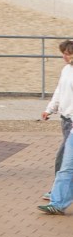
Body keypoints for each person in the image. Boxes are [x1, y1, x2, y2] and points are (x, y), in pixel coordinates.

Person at [39, 39, 73, 214]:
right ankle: (58, 198)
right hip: (66, 120)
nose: (65, 57)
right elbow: (60, 91)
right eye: (64, 53)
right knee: (66, 162)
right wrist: (49, 109)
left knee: (66, 162)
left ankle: (58, 199)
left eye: (68, 54)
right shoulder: (66, 70)